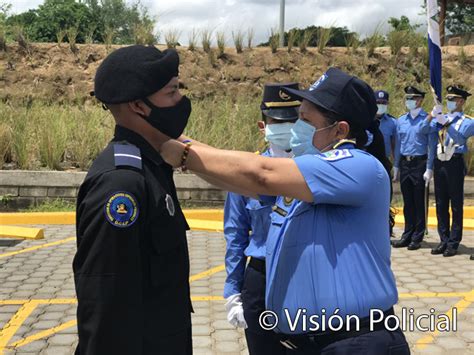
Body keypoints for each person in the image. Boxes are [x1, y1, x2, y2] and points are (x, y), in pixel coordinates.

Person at [157, 68, 409, 354]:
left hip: (356, 342)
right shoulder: (309, 175)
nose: (295, 129)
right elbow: (236, 178)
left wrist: (182, 153)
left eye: (304, 120)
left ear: (340, 130)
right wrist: (167, 136)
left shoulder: (357, 166)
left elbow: (260, 174)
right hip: (309, 341)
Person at [73, 45, 193, 355]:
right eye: (172, 92)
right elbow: (105, 303)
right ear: (139, 105)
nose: (180, 100)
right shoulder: (121, 185)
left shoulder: (152, 165)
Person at [224, 83, 299, 355]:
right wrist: (233, 290)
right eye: (277, 121)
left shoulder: (313, 169)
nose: (286, 127)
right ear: (262, 125)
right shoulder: (246, 174)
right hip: (261, 274)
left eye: (293, 120)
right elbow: (235, 234)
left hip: (302, 273)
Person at [428, 85, 473, 257]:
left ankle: (454, 242)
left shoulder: (468, 121)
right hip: (440, 162)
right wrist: (433, 116)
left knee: (455, 204)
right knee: (440, 203)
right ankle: (443, 239)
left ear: (461, 101)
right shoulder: (442, 117)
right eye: (448, 99)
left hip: (455, 163)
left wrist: (446, 123)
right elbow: (427, 132)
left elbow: (460, 139)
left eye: (453, 99)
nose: (449, 102)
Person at [392, 86, 437, 251]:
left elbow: (432, 145)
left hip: (419, 164)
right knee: (408, 201)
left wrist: (429, 167)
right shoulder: (401, 120)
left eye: (412, 98)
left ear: (419, 100)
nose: (409, 101)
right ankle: (407, 233)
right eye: (407, 98)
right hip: (405, 163)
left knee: (419, 201)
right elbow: (399, 145)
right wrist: (396, 165)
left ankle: (418, 236)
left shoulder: (428, 120)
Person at [375, 90, 397, 161]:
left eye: (384, 103)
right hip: (368, 159)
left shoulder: (393, 122)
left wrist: (396, 165)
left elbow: (394, 145)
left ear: (387, 104)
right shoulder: (365, 120)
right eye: (378, 102)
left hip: (385, 160)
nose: (380, 105)